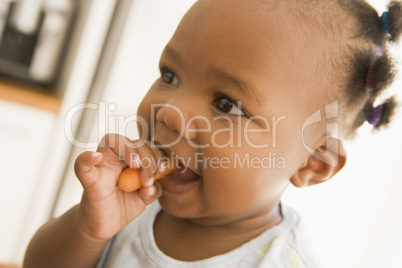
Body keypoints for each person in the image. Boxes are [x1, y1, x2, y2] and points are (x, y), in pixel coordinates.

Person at [23, 0, 402, 267]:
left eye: (226, 104)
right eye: (169, 75)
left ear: (314, 163)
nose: (169, 112)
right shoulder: (136, 202)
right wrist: (89, 230)